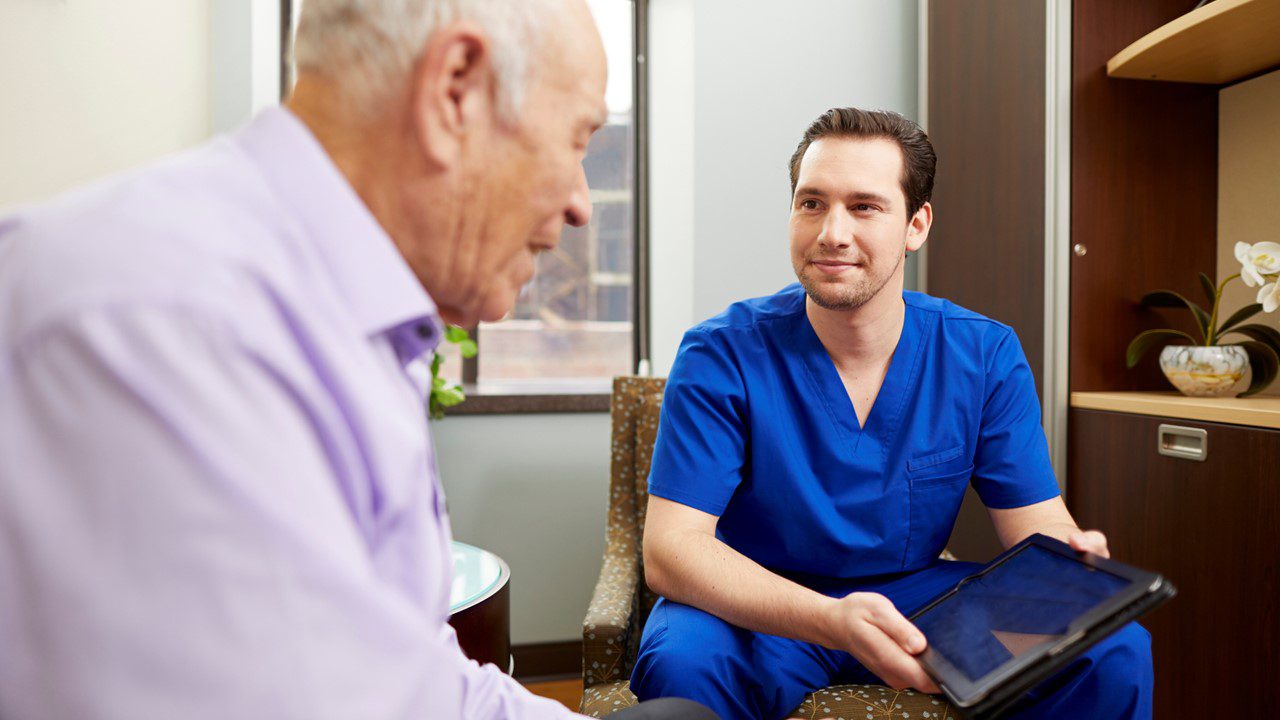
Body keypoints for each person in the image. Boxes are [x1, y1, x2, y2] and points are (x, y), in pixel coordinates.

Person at [0, 1, 713, 718]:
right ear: (455, 90)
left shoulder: (354, 329)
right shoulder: (165, 326)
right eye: (576, 139)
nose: (582, 204)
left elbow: (409, 665)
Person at [629, 107, 1153, 720]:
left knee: (1111, 646)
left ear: (916, 225)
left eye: (865, 206)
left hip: (915, 598)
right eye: (811, 203)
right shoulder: (721, 351)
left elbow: (1036, 526)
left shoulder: (982, 353)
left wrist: (1071, 558)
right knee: (682, 664)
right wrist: (831, 619)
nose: (831, 232)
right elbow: (671, 551)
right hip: (756, 598)